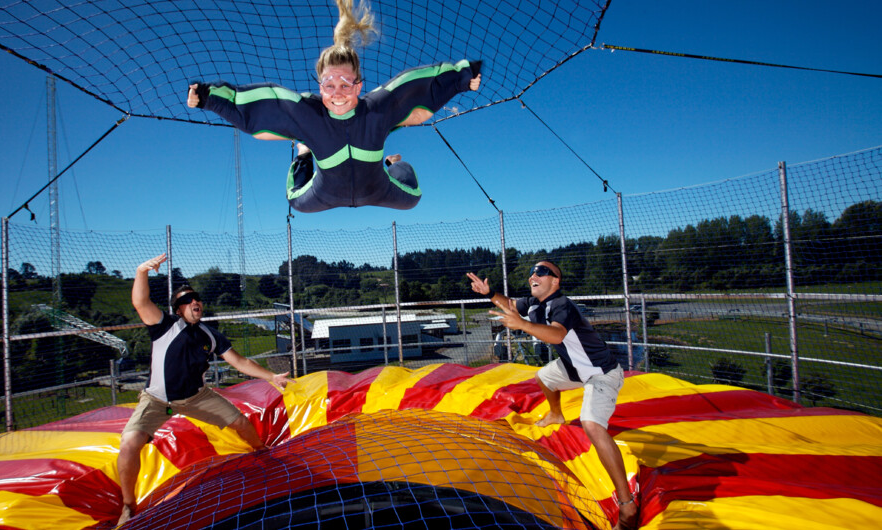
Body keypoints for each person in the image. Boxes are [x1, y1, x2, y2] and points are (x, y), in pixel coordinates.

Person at [187, 0, 482, 213]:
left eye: (346, 85)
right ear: (319, 86)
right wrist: (208, 98)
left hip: (378, 187)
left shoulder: (376, 107)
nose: (338, 93)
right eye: (329, 85)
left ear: (359, 85)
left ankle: (392, 163)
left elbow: (414, 86)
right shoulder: (308, 112)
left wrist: (462, 78)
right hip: (324, 193)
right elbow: (263, 105)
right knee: (295, 200)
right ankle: (304, 154)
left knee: (413, 196)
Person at [117, 253, 294, 525]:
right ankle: (129, 505)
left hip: (197, 397)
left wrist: (271, 376)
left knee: (242, 424)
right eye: (186, 300)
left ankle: (261, 452)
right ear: (178, 309)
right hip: (156, 399)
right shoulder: (164, 326)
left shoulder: (209, 335)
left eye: (196, 298)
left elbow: (239, 361)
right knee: (129, 444)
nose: (194, 302)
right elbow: (140, 302)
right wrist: (142, 271)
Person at [466, 262, 637, 530]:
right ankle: (556, 413)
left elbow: (557, 335)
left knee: (591, 424)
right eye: (533, 273)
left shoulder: (562, 305)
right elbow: (509, 304)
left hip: (601, 373)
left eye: (541, 273)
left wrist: (521, 325)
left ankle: (627, 505)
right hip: (574, 369)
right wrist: (490, 294)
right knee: (544, 377)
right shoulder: (533, 303)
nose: (533, 276)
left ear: (555, 281)